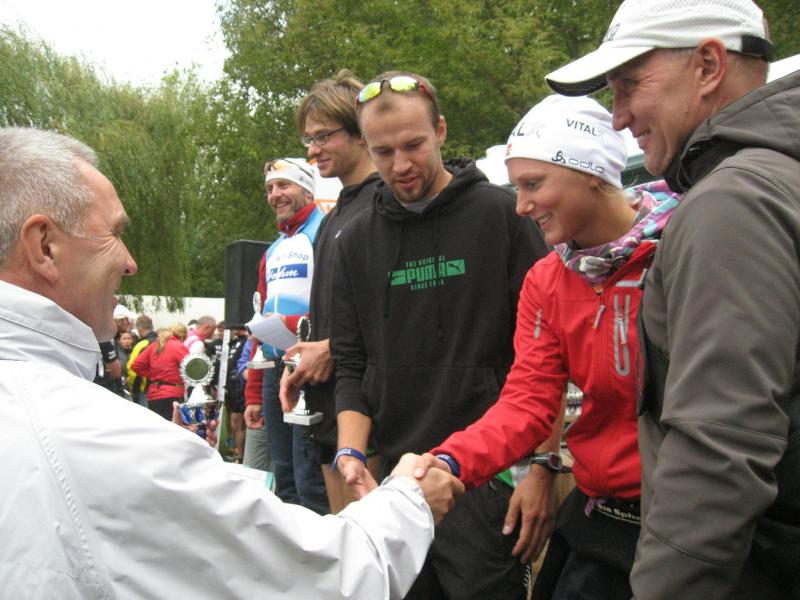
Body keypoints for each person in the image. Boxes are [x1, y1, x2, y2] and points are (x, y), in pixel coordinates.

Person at [0, 126, 463, 599]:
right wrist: (410, 500)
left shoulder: (323, 230)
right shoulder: (104, 441)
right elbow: (324, 577)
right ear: (44, 246)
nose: (130, 262)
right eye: (115, 234)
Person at [544, 0, 800, 597]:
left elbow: (719, 448)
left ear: (708, 65)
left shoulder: (732, 203)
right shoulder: (777, 177)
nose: (618, 117)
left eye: (630, 85)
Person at [414, 94, 680, 599]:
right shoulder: (546, 278)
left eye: (533, 184)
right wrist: (449, 462)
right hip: (603, 510)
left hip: (691, 516)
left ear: (592, 173)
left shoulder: (683, 245)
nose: (520, 206)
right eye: (516, 187)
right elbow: (527, 403)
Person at [328, 71, 549, 599]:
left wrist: (543, 467)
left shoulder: (503, 215)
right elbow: (352, 363)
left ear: (441, 131)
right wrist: (350, 454)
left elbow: (546, 356)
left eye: (414, 145)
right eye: (383, 152)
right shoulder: (353, 240)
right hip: (398, 481)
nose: (401, 165)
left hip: (489, 479)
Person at [279, 69, 384, 513]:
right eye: (308, 138)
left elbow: (396, 316)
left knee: (373, 541)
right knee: (344, 536)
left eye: (323, 136)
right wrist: (304, 358)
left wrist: (332, 349)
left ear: (361, 132)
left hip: (372, 415)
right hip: (329, 406)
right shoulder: (336, 213)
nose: (312, 150)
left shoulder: (386, 205)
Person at [242, 157, 329, 515]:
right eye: (269, 189)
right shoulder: (273, 249)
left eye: (283, 185)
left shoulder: (323, 232)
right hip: (273, 368)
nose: (274, 194)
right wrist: (253, 393)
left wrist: (291, 322)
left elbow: (337, 305)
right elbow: (260, 318)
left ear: (307, 190)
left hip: (311, 366)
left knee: (310, 477)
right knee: (285, 475)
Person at [131, 323, 189, 419]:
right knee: (173, 426)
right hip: (173, 394)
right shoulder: (178, 346)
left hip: (154, 395)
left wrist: (153, 375)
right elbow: (191, 368)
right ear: (182, 337)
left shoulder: (154, 345)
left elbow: (135, 365)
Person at [127, 314, 157, 407]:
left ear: (139, 330)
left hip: (144, 389)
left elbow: (131, 369)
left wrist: (131, 388)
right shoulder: (162, 342)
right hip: (160, 388)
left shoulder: (141, 345)